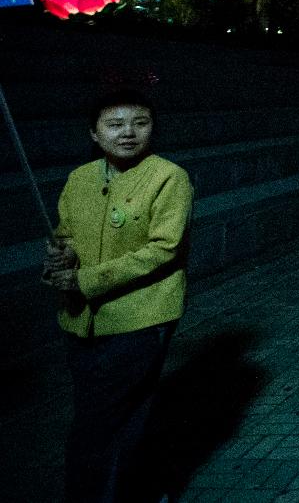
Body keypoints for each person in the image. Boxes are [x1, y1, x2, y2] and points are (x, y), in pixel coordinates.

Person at [43, 89, 194, 502]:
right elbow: (67, 232)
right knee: (126, 417)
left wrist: (86, 279)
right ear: (94, 133)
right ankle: (142, 489)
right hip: (81, 319)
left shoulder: (168, 177)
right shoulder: (81, 179)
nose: (128, 132)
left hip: (140, 317)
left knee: (96, 423)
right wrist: (63, 254)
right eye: (115, 124)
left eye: (140, 123)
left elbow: (163, 249)